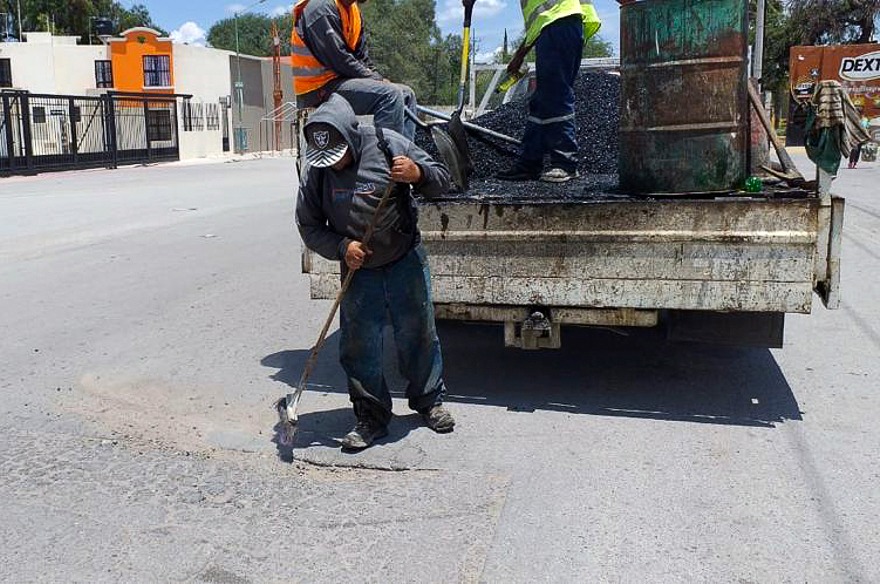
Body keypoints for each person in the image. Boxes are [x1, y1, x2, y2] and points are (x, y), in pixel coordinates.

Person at [295, 94, 455, 451]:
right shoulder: (318, 173)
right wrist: (341, 248)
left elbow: (443, 179)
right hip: (358, 270)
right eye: (328, 162)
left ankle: (429, 401)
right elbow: (308, 225)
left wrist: (418, 173)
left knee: (418, 332)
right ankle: (371, 415)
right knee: (359, 344)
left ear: (352, 136)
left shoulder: (388, 144)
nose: (335, 166)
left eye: (341, 158)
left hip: (403, 258)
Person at [496, 0, 602, 183]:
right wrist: (520, 54)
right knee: (541, 100)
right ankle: (529, 163)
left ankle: (566, 162)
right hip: (559, 27)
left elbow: (549, 16)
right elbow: (542, 20)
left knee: (556, 95)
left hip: (560, 26)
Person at [291, 0, 419, 140]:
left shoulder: (353, 13)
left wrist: (379, 78)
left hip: (339, 81)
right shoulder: (320, 8)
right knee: (390, 94)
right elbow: (339, 59)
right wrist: (377, 80)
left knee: (406, 94)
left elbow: (362, 58)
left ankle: (406, 155)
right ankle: (383, 159)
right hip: (317, 89)